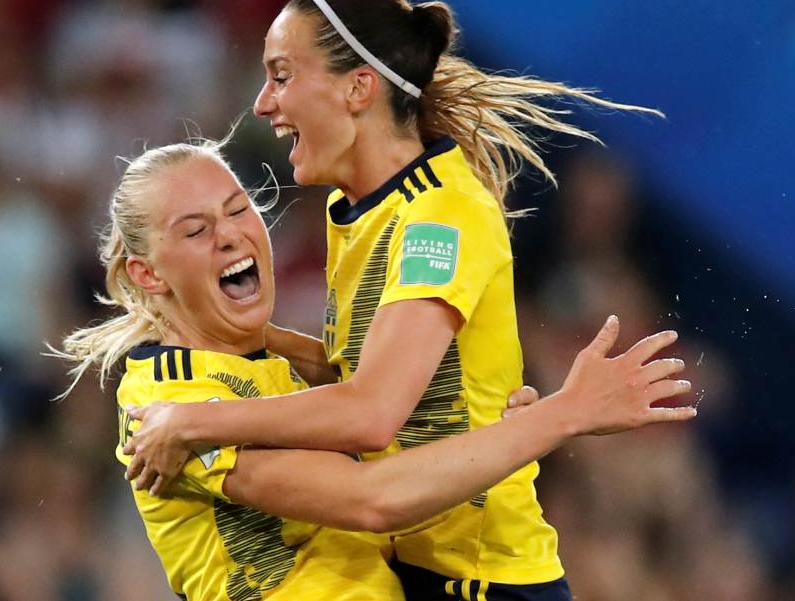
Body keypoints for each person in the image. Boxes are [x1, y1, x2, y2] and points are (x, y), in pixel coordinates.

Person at [123, 0, 688, 600]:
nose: (262, 103)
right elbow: (360, 369)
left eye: (282, 76)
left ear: (358, 87)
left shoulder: (436, 220)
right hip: (411, 566)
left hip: (477, 578)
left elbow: (370, 412)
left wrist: (195, 422)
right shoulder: (356, 208)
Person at [55, 138, 693, 601]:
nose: (231, 236)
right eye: (195, 231)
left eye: (239, 209)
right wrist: (562, 414)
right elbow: (375, 499)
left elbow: (392, 440)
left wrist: (496, 426)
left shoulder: (264, 368)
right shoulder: (166, 406)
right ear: (146, 273)